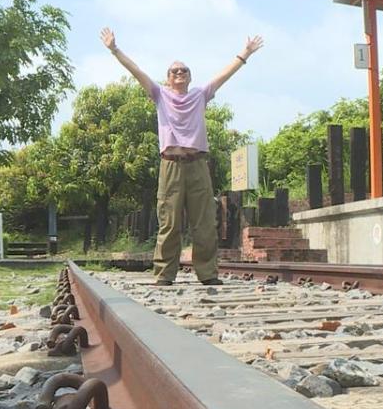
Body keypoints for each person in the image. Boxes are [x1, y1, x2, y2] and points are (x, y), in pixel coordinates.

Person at [101, 27, 263, 286]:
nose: (179, 73)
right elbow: (137, 71)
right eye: (174, 71)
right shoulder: (159, 95)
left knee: (205, 223)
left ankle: (208, 274)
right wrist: (114, 49)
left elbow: (224, 75)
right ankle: (165, 275)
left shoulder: (200, 94)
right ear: (167, 79)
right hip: (171, 165)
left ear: (189, 77)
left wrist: (245, 53)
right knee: (169, 222)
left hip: (198, 164)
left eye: (184, 70)